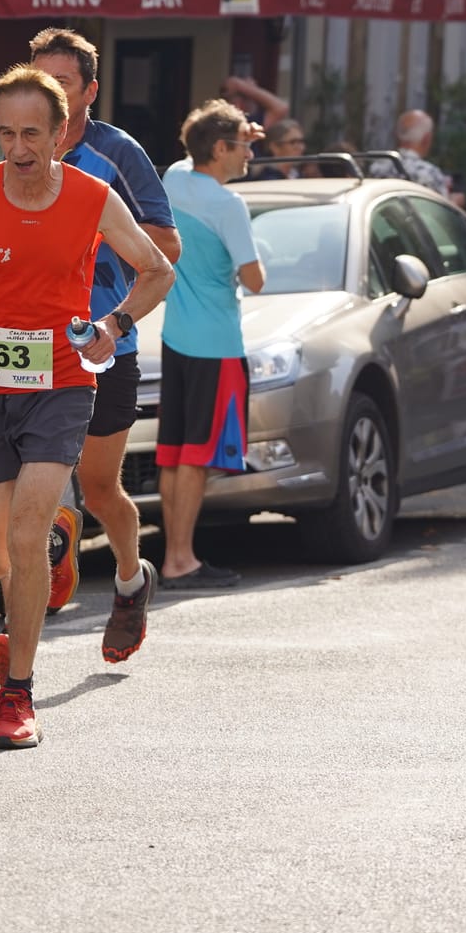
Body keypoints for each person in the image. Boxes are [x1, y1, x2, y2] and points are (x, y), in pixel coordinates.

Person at [0, 65, 174, 748]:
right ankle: (46, 555)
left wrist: (111, 326)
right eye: (4, 133)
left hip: (60, 382)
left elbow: (157, 269)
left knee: (23, 540)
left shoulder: (91, 196)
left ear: (61, 135)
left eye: (31, 134)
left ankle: (17, 693)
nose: (17, 148)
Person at [27, 27, 183, 665]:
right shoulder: (13, 147)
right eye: (38, 79)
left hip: (101, 344)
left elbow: (166, 248)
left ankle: (128, 579)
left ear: (89, 91)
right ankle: (31, 611)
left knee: (97, 488)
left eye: (60, 82)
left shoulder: (116, 152)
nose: (46, 93)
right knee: (25, 484)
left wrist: (92, 234)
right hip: (27, 342)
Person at [156, 101, 265, 590]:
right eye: (243, 146)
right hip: (216, 343)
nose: (250, 155)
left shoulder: (174, 180)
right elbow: (255, 280)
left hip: (175, 337)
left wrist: (240, 132)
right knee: (197, 456)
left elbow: (192, 154)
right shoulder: (229, 205)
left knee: (173, 452)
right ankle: (183, 559)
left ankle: (173, 557)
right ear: (220, 149)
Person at [384, 109, 464, 205]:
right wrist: (454, 202)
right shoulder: (429, 174)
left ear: (397, 134)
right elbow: (439, 214)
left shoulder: (377, 166)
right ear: (427, 138)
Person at [220, 73, 289, 130]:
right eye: (251, 92)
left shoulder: (254, 122)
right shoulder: (230, 125)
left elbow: (281, 108)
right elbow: (281, 108)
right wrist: (240, 85)